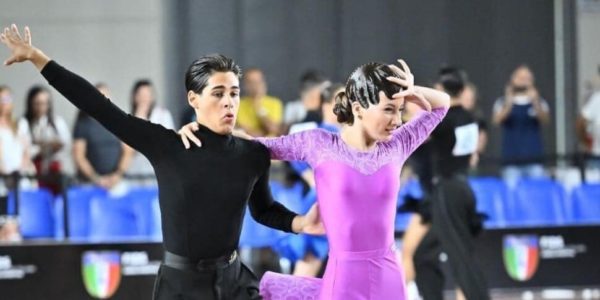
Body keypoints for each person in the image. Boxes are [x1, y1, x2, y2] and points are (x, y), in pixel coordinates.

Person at [0, 24, 321, 300]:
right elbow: (99, 107)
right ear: (193, 99)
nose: (229, 102)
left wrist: (301, 223)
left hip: (235, 282)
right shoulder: (168, 145)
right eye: (218, 93)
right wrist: (38, 58)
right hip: (180, 286)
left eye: (235, 93)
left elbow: (263, 209)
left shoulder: (253, 154)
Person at [181, 59, 450, 299]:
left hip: (390, 277)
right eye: (389, 109)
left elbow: (442, 105)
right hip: (343, 278)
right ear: (358, 108)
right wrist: (202, 129)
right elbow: (251, 145)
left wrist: (412, 91)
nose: (397, 120)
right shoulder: (318, 144)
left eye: (400, 110)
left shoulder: (397, 146)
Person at [409, 67, 489, 300]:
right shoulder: (469, 117)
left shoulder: (443, 119)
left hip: (448, 191)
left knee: (461, 256)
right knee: (423, 256)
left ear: (441, 89)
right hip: (462, 187)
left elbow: (414, 136)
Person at [492, 65, 550, 187]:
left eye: (527, 78)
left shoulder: (540, 102)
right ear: (512, 79)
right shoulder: (502, 102)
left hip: (534, 159)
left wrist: (535, 102)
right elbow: (496, 121)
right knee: (512, 195)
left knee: (535, 193)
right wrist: (509, 103)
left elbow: (545, 120)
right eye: (520, 77)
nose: (523, 80)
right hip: (511, 160)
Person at [72, 83, 130, 189]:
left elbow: (127, 151)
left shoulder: (119, 121)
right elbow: (79, 156)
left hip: (117, 182)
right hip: (90, 183)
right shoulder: (83, 123)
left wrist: (118, 175)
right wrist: (96, 178)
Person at [18, 85, 71, 194]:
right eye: (37, 103)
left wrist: (51, 145)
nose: (40, 107)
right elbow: (23, 148)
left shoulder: (57, 122)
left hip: (54, 170)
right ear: (30, 104)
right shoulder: (24, 123)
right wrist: (41, 147)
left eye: (44, 103)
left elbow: (66, 143)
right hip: (34, 171)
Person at [123, 79, 175, 185]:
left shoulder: (162, 115)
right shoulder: (128, 118)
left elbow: (169, 143)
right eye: (141, 95)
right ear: (134, 97)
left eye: (147, 95)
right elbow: (128, 149)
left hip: (156, 173)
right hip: (134, 174)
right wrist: (139, 117)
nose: (144, 99)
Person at [0, 85, 32, 242]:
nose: (4, 102)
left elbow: (26, 151)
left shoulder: (20, 125)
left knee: (17, 223)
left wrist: (20, 171)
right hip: (3, 181)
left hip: (19, 178)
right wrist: (6, 174)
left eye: (7, 99)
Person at [237, 68, 283, 137]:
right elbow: (245, 132)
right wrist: (265, 133)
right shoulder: (238, 104)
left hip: (269, 146)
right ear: (245, 85)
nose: (256, 85)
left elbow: (273, 129)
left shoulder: (275, 103)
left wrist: (258, 107)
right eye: (251, 82)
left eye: (259, 81)